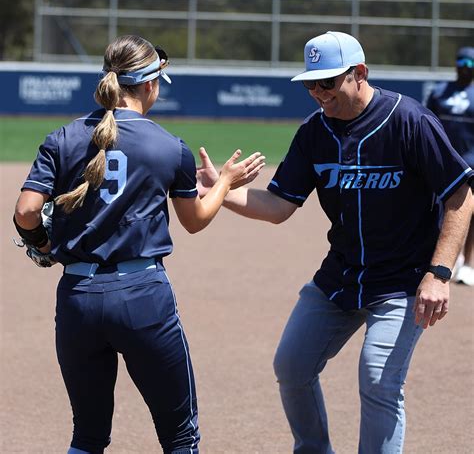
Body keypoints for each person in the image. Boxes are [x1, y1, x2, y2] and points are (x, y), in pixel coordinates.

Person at [197, 31, 473, 453]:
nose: (317, 92)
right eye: (310, 83)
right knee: (291, 366)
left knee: (379, 379)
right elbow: (278, 204)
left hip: (402, 280)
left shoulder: (409, 120)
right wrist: (222, 192)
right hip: (341, 275)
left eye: (327, 82)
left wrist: (439, 273)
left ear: (359, 73)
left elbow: (461, 195)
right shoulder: (315, 132)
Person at [13, 35, 265, 454]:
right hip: (142, 298)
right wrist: (224, 182)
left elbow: (25, 212)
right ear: (149, 84)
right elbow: (196, 221)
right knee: (179, 437)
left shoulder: (63, 138)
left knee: (88, 437)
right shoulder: (170, 146)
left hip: (77, 297)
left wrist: (44, 244)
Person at [426, 46, 474, 286]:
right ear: (456, 64)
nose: (466, 66)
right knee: (440, 210)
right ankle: (447, 258)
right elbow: (427, 124)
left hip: (472, 162)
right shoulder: (439, 92)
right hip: (442, 162)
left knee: (471, 212)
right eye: (462, 61)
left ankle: (467, 264)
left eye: (471, 62)